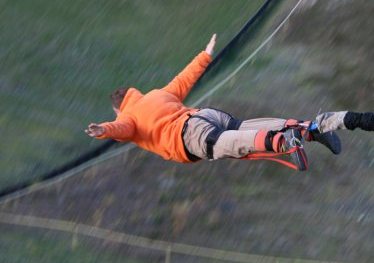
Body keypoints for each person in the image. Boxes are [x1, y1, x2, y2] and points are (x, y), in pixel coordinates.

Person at [85, 34, 342, 171]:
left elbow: (123, 129)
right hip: (205, 115)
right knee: (244, 127)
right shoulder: (156, 94)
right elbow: (184, 79)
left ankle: (282, 142)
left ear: (119, 108)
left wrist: (104, 130)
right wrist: (205, 55)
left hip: (188, 136)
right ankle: (312, 129)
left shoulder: (128, 118)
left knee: (228, 144)